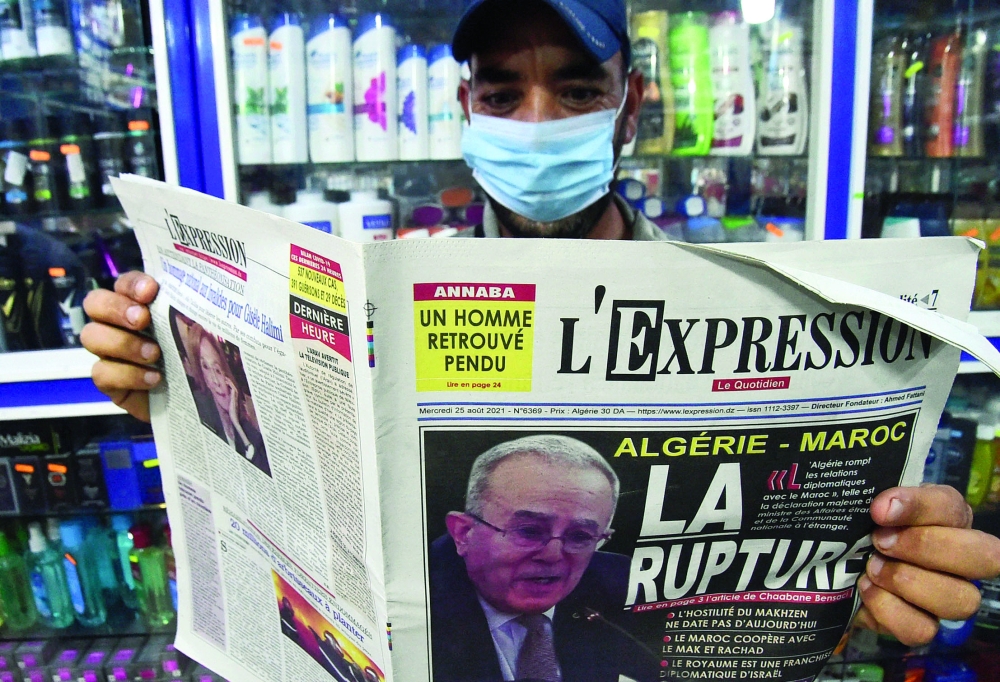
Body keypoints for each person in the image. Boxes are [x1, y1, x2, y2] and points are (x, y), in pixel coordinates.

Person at [80, 0, 1000, 653]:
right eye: (501, 93)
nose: (535, 123)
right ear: (465, 110)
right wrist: (164, 377)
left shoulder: (761, 304)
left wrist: (899, 558)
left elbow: (884, 572)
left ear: (630, 108)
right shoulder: (375, 305)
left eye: (574, 91)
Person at [431, 435, 655, 682]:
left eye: (580, 535)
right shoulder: (419, 595)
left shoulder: (623, 585)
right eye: (529, 531)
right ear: (463, 533)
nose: (552, 556)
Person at [186, 324, 270, 476]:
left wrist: (237, 424)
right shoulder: (201, 413)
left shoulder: (249, 428)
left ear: (226, 375)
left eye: (217, 370)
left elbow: (263, 469)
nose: (216, 381)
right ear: (201, 374)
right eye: (205, 367)